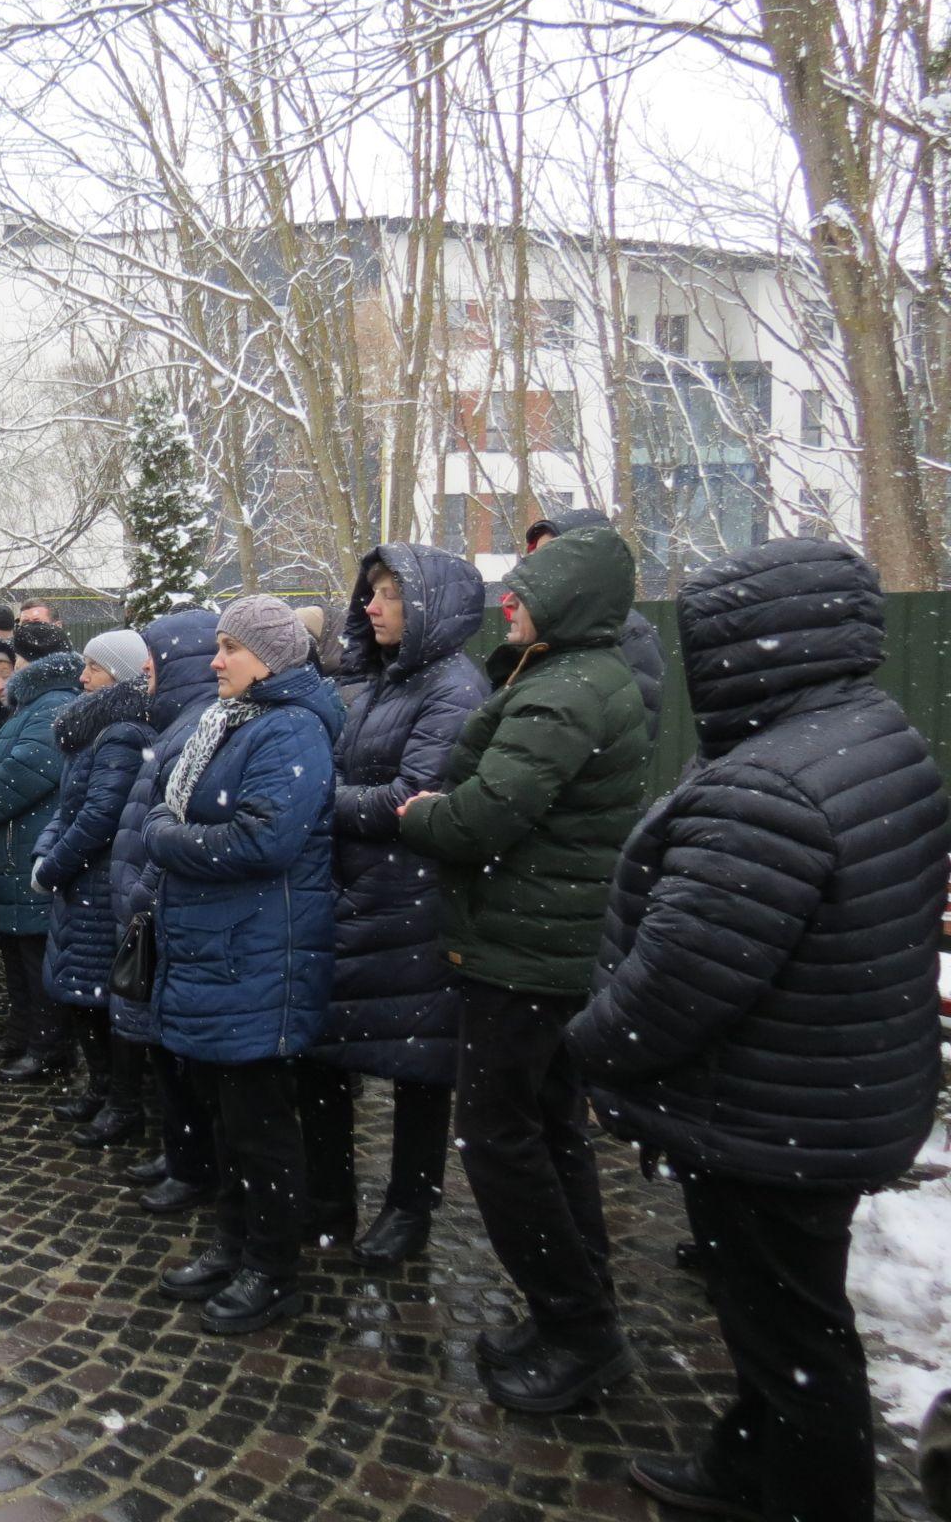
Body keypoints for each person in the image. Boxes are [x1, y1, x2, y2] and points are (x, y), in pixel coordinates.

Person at [566, 539, 948, 1522]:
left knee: (793, 1339)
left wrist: (589, 1047)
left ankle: (807, 1496)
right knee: (780, 1325)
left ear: (743, 647)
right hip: (830, 1094)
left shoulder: (769, 787)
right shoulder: (873, 733)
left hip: (769, 1117)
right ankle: (747, 1463)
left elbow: (677, 983)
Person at [397, 523, 649, 1411]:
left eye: (529, 591)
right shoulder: (573, 677)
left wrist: (419, 814)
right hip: (544, 946)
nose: (510, 602)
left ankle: (580, 1330)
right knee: (547, 1130)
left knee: (502, 1138)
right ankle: (577, 1310)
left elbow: (482, 820)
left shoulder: (564, 691)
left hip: (527, 955)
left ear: (567, 604)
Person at [145, 596, 341, 1335]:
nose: (216, 659)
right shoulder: (236, 720)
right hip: (219, 950)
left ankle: (273, 1269)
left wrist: (167, 838)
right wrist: (174, 827)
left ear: (271, 658)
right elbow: (178, 808)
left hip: (260, 954)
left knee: (260, 1123)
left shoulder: (290, 728)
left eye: (231, 647)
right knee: (227, 1119)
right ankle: (233, 1244)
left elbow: (262, 841)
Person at [299, 544, 488, 1264]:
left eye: (391, 595)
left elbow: (413, 798)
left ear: (429, 606)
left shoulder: (454, 687)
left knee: (418, 1064)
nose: (372, 607)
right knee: (322, 1052)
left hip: (413, 901)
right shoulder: (374, 680)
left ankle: (410, 1208)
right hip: (349, 892)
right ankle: (328, 1202)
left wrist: (318, 802)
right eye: (370, 593)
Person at [110, 609, 222, 1215]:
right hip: (148, 903)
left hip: (160, 905)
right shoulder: (178, 721)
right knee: (162, 1042)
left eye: (154, 661)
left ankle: (193, 1160)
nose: (146, 673)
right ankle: (180, 1150)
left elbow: (174, 820)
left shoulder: (197, 724)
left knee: (179, 1052)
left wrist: (142, 892)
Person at [33, 629, 154, 1145]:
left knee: (105, 997)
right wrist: (45, 853)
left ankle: (122, 1103)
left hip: (102, 886)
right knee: (83, 993)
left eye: (94, 668)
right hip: (82, 882)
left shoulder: (121, 734)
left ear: (120, 676)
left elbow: (99, 816)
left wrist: (54, 866)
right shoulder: (97, 730)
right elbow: (68, 810)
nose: (83, 678)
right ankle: (102, 1089)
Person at [0, 621, 82, 1081]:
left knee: (34, 954)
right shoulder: (32, 705)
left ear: (30, 662)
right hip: (13, 849)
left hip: (26, 850)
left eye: (14, 663)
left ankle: (48, 1046)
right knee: (16, 949)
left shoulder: (53, 705)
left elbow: (20, 776)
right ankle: (23, 1031)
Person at [522, 509, 666, 740]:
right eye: (535, 556)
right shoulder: (553, 624)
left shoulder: (630, 632)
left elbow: (632, 727)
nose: (538, 567)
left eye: (550, 555)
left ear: (585, 561)